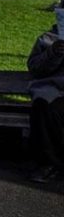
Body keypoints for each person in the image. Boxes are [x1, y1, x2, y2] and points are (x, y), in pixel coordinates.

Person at [27, 23, 64, 183]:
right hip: (54, 91)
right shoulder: (47, 38)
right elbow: (35, 68)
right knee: (43, 107)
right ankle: (50, 165)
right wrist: (53, 52)